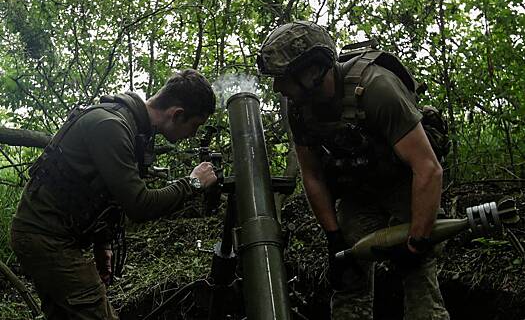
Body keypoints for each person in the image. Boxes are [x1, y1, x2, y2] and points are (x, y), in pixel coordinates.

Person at [257, 21, 450, 319]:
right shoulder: (297, 106)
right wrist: (334, 236)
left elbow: (427, 168)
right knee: (349, 279)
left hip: (406, 185)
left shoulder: (377, 88)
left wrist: (418, 240)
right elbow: (313, 175)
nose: (276, 87)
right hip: (356, 191)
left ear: (312, 71)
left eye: (283, 78)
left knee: (418, 274)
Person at [10, 69, 217, 319]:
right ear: (177, 114)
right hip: (46, 240)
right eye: (195, 126)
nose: (193, 135)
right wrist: (192, 184)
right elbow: (139, 205)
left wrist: (103, 243)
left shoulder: (134, 129)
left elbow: (102, 192)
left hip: (52, 236)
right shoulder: (111, 126)